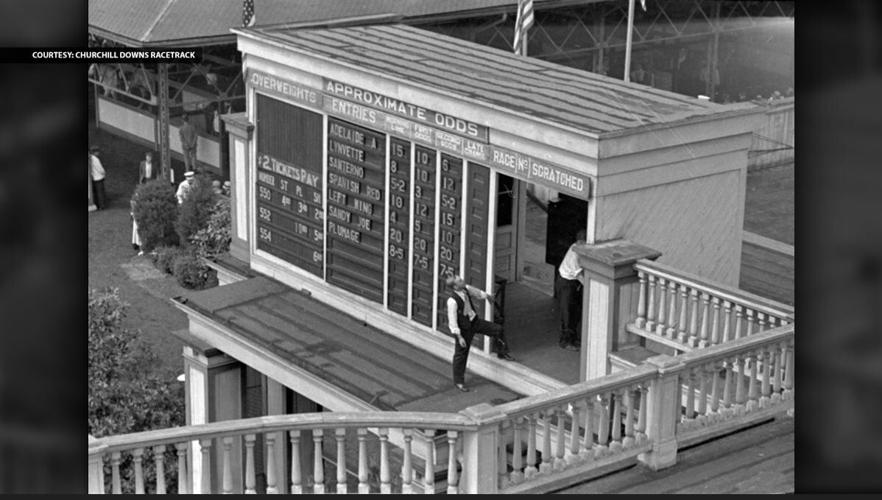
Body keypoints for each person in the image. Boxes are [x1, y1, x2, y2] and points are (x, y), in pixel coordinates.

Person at [446, 275, 514, 392]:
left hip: (474, 322)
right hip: (464, 330)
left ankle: (502, 352)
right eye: (460, 281)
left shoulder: (465, 289)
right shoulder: (452, 301)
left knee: (497, 329)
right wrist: (459, 336)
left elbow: (476, 292)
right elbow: (452, 320)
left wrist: (487, 296)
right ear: (455, 286)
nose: (463, 280)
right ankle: (459, 381)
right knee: (461, 354)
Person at [556, 229, 587, 351]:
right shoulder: (575, 253)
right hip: (566, 283)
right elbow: (580, 276)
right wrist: (591, 290)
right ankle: (565, 341)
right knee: (567, 313)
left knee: (575, 312)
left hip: (573, 284)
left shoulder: (579, 248)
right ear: (580, 242)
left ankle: (573, 338)